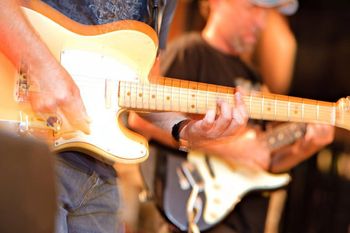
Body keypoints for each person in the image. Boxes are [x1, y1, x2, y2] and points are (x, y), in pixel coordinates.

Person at [0, 0, 249, 232]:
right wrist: (40, 66)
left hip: (98, 172)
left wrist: (184, 129)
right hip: (28, 145)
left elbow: (144, 88)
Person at [128, 0, 335, 232]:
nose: (261, 22)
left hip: (245, 222)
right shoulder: (190, 51)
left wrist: (303, 149)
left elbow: (262, 159)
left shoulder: (254, 76)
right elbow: (140, 118)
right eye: (253, 8)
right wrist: (229, 147)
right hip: (193, 212)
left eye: (268, 13)